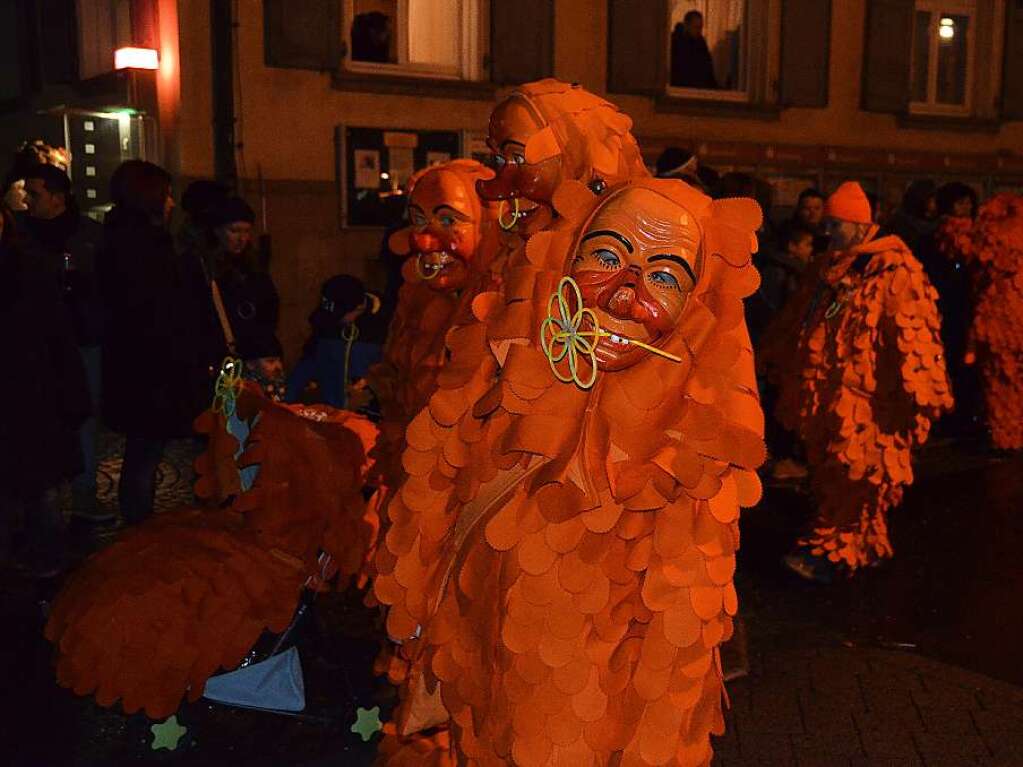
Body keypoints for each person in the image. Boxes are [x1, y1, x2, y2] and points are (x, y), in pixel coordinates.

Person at [373, 177, 765, 766]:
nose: (622, 295)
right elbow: (439, 507)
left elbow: (673, 655)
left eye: (663, 276)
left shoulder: (693, 453)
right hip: (484, 677)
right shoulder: (499, 372)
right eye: (606, 256)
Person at [782, 182, 952, 581]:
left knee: (855, 476)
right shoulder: (833, 267)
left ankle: (836, 554)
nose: (829, 233)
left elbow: (917, 333)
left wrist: (926, 389)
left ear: (860, 226)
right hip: (832, 397)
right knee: (835, 474)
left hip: (871, 402)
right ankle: (863, 543)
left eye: (837, 225)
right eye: (828, 224)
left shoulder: (897, 272)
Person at [101, 161, 220, 525]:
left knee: (143, 451)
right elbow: (163, 313)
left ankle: (140, 525)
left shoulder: (121, 241)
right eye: (166, 196)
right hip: (152, 370)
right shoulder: (146, 248)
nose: (171, 204)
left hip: (138, 367)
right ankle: (140, 529)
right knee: (145, 453)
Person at [0, 199, 91, 576]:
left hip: (32, 393)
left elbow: (57, 335)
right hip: (20, 391)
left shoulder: (29, 269)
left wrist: (70, 391)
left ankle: (47, 564)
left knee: (41, 487)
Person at [19, 163, 109, 522]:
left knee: (84, 415)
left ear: (58, 197)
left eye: (34, 193)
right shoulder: (21, 234)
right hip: (38, 343)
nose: (27, 200)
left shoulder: (88, 234)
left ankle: (84, 493)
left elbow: (107, 284)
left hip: (82, 336)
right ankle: (43, 498)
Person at [206, 197, 284, 399]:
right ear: (218, 231)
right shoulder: (206, 268)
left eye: (246, 232)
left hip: (254, 356)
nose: (241, 239)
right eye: (234, 231)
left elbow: (270, 308)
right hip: (223, 357)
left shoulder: (255, 268)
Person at [286, 274, 382, 408]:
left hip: (366, 411)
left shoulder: (381, 326)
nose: (333, 320)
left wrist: (370, 384)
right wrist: (288, 398)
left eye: (339, 315)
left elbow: (386, 373)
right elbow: (307, 363)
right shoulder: (323, 323)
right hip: (331, 408)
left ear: (358, 308)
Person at [670, 10, 718, 89]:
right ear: (687, 25)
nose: (699, 31)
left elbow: (707, 68)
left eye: (700, 27)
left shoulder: (700, 43)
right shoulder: (675, 42)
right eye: (696, 27)